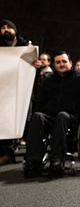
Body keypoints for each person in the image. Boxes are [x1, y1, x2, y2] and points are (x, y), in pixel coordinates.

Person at [24, 51, 80, 175]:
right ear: (54, 64)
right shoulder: (49, 81)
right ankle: (33, 160)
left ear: (70, 63)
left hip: (72, 117)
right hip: (51, 116)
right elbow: (41, 102)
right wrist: (36, 114)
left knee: (62, 116)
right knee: (37, 116)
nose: (61, 64)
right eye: (58, 62)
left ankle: (56, 159)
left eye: (64, 61)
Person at [0, 19, 40, 166]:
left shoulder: (26, 47)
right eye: (2, 28)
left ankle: (31, 154)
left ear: (15, 30)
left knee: (26, 120)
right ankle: (7, 153)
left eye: (9, 27)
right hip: (4, 91)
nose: (5, 30)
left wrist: (37, 65)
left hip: (24, 91)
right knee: (4, 121)